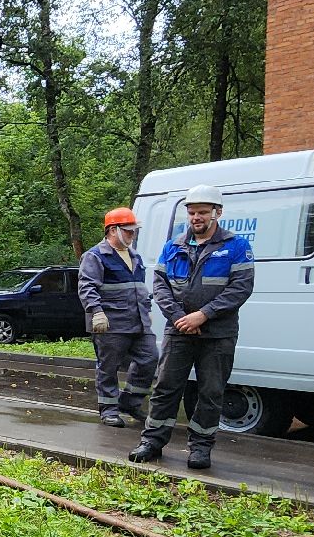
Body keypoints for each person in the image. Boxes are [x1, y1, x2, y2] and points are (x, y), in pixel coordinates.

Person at [129, 185, 256, 470]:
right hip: (179, 331)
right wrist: (178, 318)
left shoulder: (237, 247)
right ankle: (152, 441)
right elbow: (160, 287)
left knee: (210, 392)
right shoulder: (173, 246)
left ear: (217, 212)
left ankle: (200, 448)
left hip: (218, 335)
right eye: (192, 212)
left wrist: (203, 315)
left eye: (202, 212)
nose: (196, 217)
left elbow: (240, 289)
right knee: (165, 388)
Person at [78, 207, 157, 428]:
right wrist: (97, 312)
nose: (133, 235)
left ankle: (130, 402)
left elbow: (140, 288)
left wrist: (146, 308)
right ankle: (108, 410)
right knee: (108, 367)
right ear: (113, 230)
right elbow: (87, 287)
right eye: (129, 231)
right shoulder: (95, 256)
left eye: (134, 231)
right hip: (110, 324)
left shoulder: (135, 257)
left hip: (138, 322)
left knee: (150, 358)